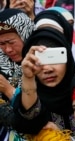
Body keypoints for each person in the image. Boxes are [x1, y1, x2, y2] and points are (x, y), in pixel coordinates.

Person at [12, 26, 75, 139]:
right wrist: (28, 77)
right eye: (39, 62)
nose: (48, 69)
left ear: (68, 60)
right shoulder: (29, 99)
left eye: (54, 59)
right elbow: (30, 116)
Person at [0, 9, 35, 140]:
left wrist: (8, 90)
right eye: (2, 44)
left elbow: (38, 116)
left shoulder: (44, 64)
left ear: (25, 34)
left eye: (11, 42)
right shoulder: (1, 63)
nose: (7, 49)